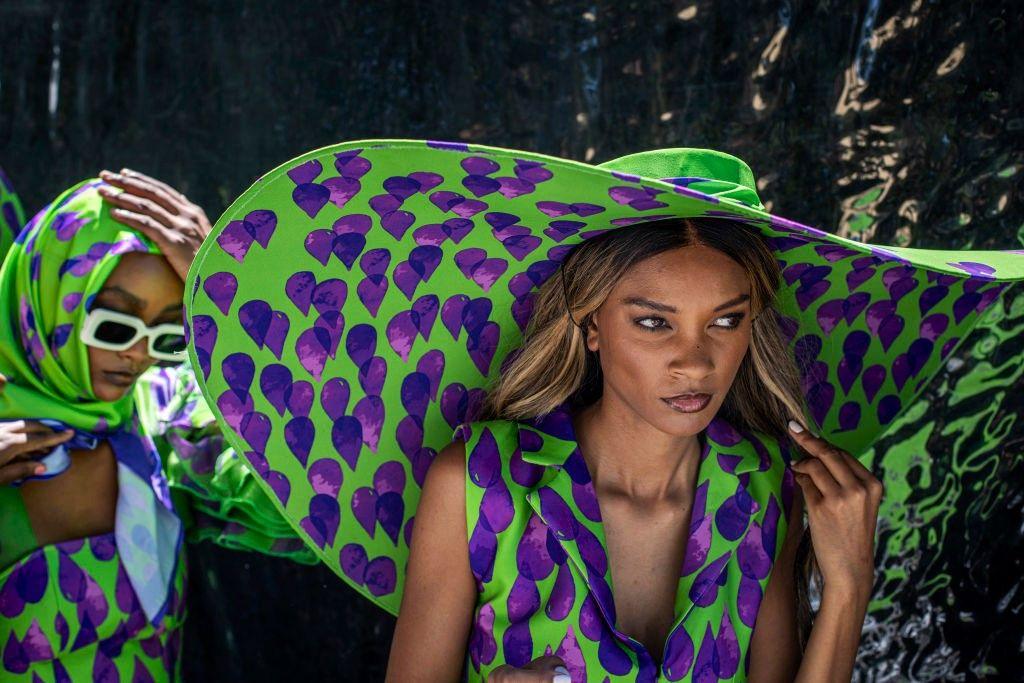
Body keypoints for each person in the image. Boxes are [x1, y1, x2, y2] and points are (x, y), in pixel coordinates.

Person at [181, 140, 1024, 681]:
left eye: (725, 320)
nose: (695, 360)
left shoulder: (760, 488)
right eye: (653, 321)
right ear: (589, 323)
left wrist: (845, 586)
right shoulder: (479, 487)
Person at [0, 171, 314, 682]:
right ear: (49, 298)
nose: (138, 353)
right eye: (116, 326)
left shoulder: (159, 414)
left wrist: (227, 298)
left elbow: (303, 498)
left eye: (168, 333)